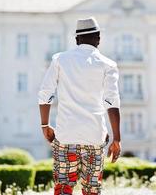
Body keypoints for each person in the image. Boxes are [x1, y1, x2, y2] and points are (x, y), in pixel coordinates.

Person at [38, 16, 121, 195]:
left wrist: (45, 125)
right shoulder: (108, 65)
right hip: (95, 138)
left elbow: (45, 94)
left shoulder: (60, 60)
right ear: (98, 38)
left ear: (77, 40)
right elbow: (112, 102)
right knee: (92, 190)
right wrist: (117, 138)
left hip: (66, 137)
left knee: (63, 189)